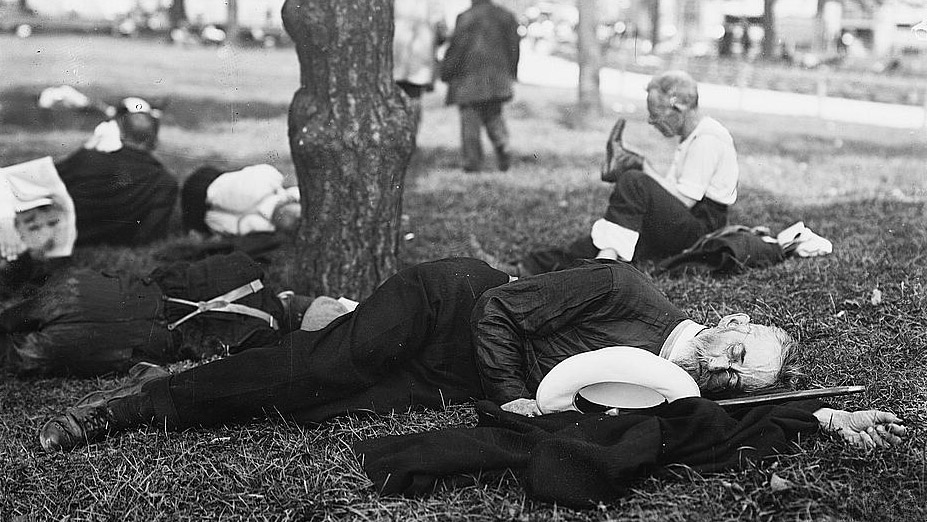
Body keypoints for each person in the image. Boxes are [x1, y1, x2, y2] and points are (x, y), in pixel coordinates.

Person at [38, 257, 904, 453]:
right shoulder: (633, 291)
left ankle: (180, 384)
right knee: (324, 368)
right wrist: (513, 395)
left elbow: (721, 424)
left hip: (452, 367)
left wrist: (825, 416)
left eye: (733, 372)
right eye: (734, 349)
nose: (721, 367)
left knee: (322, 406)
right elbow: (494, 305)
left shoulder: (670, 382)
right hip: (444, 302)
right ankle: (116, 412)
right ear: (729, 315)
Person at [515, 70, 739, 275]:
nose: (652, 122)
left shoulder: (707, 139)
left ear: (677, 107)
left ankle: (606, 263)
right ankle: (530, 266)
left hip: (701, 231)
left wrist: (643, 167)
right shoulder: (692, 136)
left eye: (656, 114)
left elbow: (684, 201)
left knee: (634, 182)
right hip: (686, 223)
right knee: (610, 238)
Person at [0, 252, 313, 377]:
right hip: (123, 343)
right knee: (18, 356)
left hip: (107, 295)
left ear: (289, 296)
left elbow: (168, 271)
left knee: (21, 313)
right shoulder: (267, 339)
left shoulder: (247, 267)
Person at [55, 97, 179, 247]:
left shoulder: (88, 159)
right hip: (120, 241)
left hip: (74, 236)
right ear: (155, 139)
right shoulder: (165, 181)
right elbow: (151, 234)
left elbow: (49, 178)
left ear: (121, 134)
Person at [440, 0, 520, 172]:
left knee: (470, 120)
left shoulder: (466, 17)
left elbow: (456, 49)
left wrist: (446, 72)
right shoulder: (506, 16)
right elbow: (514, 48)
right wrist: (511, 73)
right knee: (494, 115)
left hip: (469, 79)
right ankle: (502, 144)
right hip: (497, 79)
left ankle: (472, 163)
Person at [180, 164, 301, 237]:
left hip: (201, 209)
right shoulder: (266, 183)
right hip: (202, 191)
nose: (298, 218)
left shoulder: (260, 227)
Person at [393, 0, 447, 132]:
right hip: (418, 63)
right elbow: (442, 31)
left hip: (395, 60)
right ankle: (409, 140)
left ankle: (397, 138)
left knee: (393, 102)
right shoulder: (433, 3)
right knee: (413, 101)